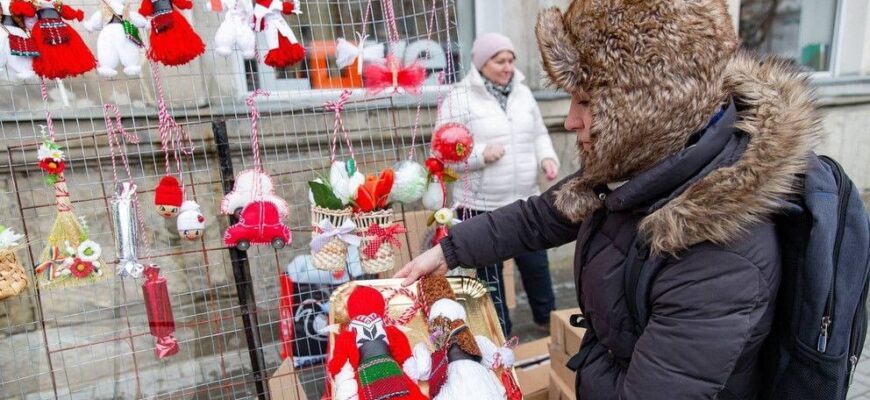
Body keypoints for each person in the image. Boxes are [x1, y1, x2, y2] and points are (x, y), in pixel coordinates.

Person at [397, 0, 823, 398]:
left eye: (587, 101)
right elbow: (541, 216)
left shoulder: (722, 257)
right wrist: (450, 250)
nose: (569, 120)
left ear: (648, 109)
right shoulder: (645, 164)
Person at [436, 32, 561, 335]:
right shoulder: (459, 98)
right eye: (499, 61)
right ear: (481, 63)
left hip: (525, 200)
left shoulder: (522, 91)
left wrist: (547, 157)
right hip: (481, 206)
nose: (507, 67)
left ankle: (550, 324)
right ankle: (501, 334)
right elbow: (443, 150)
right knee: (491, 278)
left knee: (536, 268)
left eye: (510, 60)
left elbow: (539, 133)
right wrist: (481, 155)